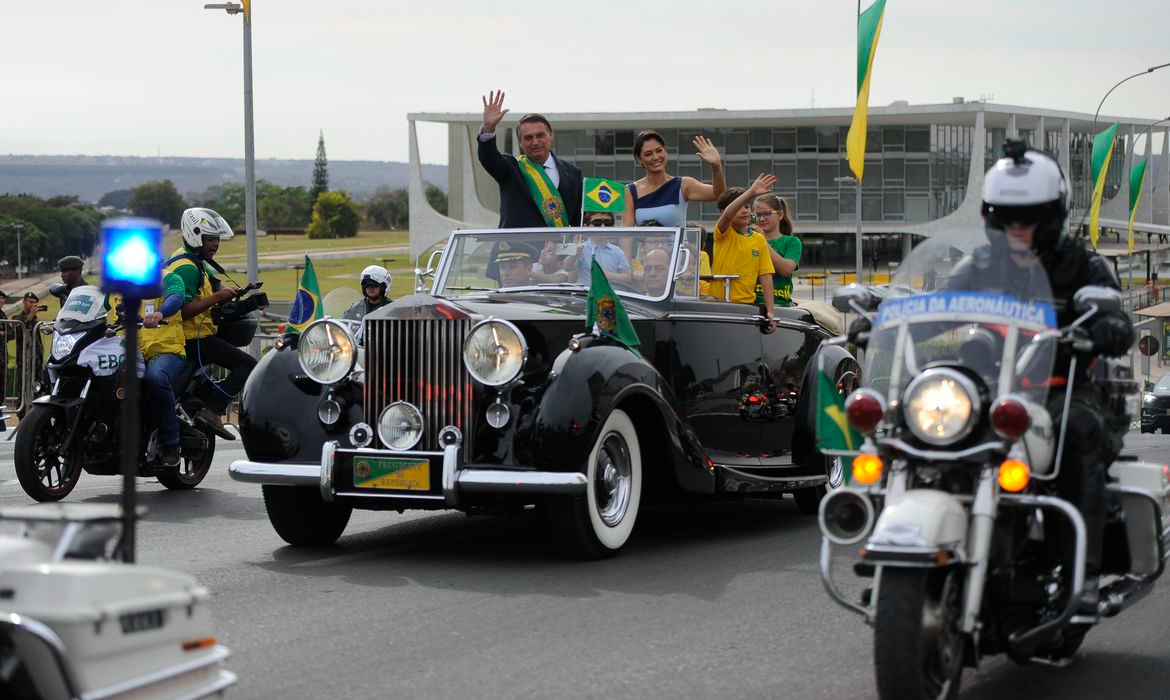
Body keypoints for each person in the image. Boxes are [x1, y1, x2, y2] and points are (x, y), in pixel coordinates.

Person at [171, 207, 256, 439]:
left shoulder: (193, 259)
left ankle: (201, 403)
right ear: (194, 235)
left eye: (217, 239)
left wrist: (221, 288)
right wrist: (216, 298)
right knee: (248, 365)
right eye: (210, 239)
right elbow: (180, 311)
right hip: (192, 340)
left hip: (197, 337)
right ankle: (213, 410)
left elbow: (211, 275)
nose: (215, 244)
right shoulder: (187, 268)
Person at [477, 91, 583, 229]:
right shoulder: (511, 168)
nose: (535, 142)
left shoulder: (573, 173)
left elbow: (578, 220)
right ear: (520, 143)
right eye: (528, 138)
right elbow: (488, 158)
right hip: (517, 249)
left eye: (540, 135)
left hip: (558, 249)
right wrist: (488, 128)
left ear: (551, 136)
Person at [711, 176, 777, 330]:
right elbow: (728, 215)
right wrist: (751, 192)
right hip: (718, 306)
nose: (744, 210)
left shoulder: (759, 240)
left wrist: (771, 311)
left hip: (747, 308)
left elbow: (766, 275)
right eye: (740, 206)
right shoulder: (723, 232)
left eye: (747, 206)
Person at [140, 264, 189, 468]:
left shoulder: (169, 277)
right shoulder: (122, 284)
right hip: (133, 350)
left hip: (168, 349)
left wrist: (160, 313)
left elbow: (176, 297)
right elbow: (102, 304)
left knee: (155, 378)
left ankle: (171, 444)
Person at [621, 131, 726, 227]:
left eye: (659, 151)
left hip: (679, 248)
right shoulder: (630, 191)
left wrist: (716, 166)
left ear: (665, 151)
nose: (656, 157)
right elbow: (626, 235)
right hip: (645, 248)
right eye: (648, 154)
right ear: (638, 159)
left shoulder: (683, 184)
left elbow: (718, 194)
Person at [753, 194, 801, 308]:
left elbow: (786, 269)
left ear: (780, 215)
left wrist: (762, 240)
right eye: (758, 215)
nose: (762, 219)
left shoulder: (792, 242)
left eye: (767, 214)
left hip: (781, 305)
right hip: (752, 304)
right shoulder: (749, 239)